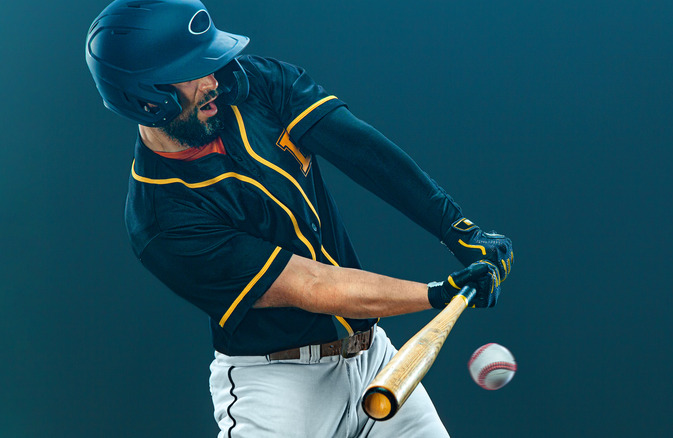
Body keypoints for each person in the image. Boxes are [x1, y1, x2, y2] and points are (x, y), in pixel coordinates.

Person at [85, 0, 514, 436]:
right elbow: (314, 286)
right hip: (277, 389)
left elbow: (365, 153)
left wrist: (458, 229)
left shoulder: (256, 84)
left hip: (374, 361)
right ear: (144, 97)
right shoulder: (161, 219)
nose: (212, 80)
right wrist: (437, 294)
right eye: (192, 70)